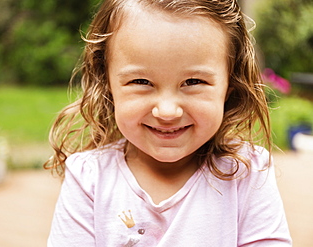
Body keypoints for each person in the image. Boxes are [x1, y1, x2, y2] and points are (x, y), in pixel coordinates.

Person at [45, 0, 292, 246]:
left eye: (194, 82)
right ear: (106, 82)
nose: (167, 111)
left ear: (230, 84)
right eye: (141, 81)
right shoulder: (88, 177)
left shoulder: (247, 173)